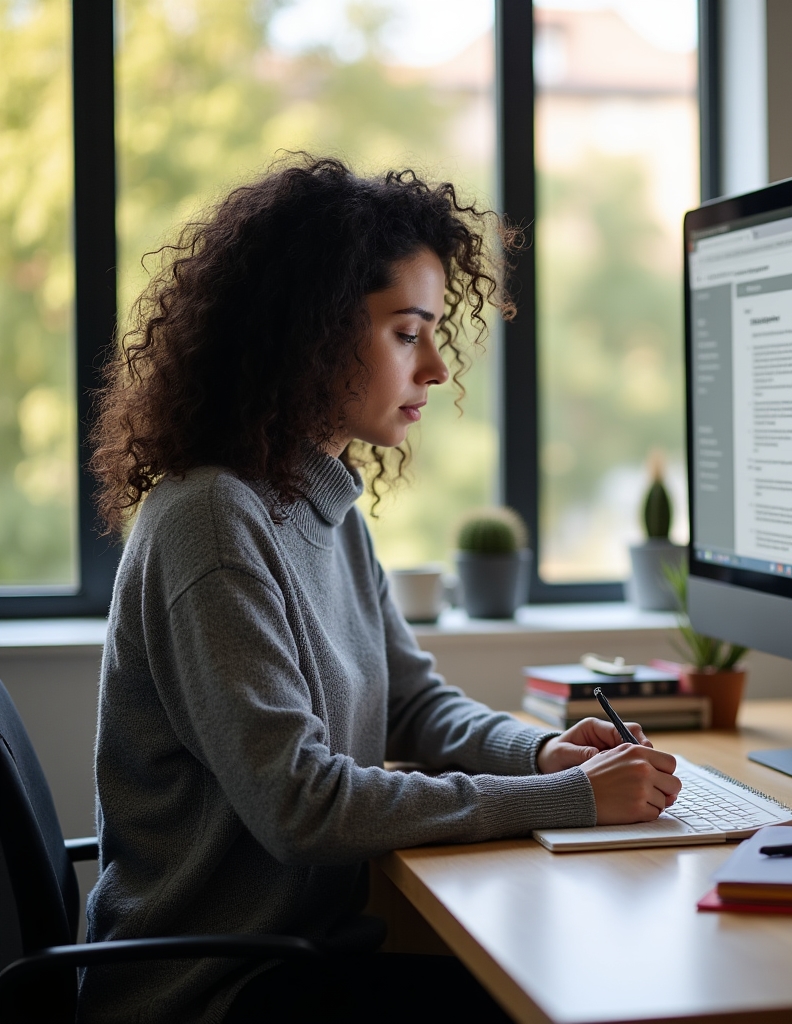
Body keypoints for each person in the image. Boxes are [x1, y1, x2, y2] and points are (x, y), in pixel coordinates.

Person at [82, 156, 681, 1024]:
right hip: (216, 993)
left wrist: (540, 755)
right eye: (408, 333)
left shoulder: (322, 505)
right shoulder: (212, 522)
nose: (437, 367)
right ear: (311, 332)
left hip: (301, 958)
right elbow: (303, 807)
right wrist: (573, 800)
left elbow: (413, 704)